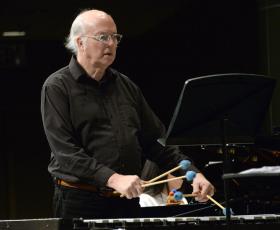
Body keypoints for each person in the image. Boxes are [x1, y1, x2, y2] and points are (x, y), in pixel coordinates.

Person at [41, 9, 215, 219]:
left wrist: (193, 174)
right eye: (103, 37)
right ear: (80, 43)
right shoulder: (57, 87)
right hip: (79, 201)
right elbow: (66, 153)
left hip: (126, 200)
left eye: (115, 37)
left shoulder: (126, 86)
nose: (111, 44)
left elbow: (157, 142)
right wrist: (113, 179)